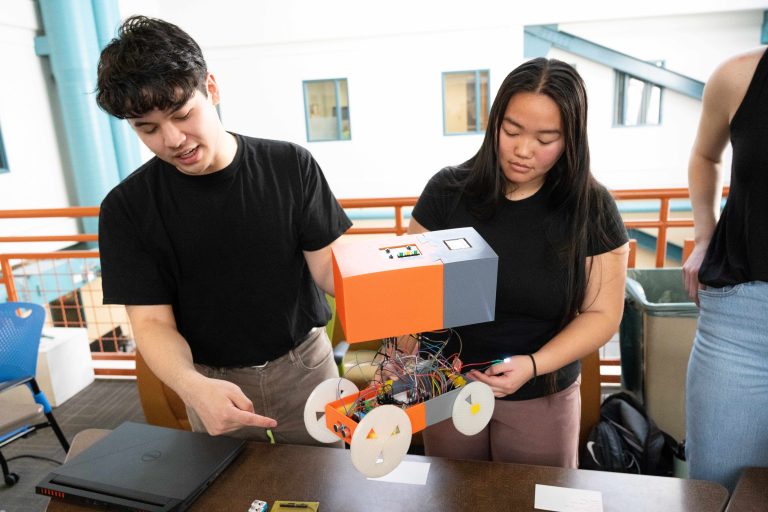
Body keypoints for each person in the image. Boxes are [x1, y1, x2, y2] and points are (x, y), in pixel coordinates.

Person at [95, 15, 351, 444]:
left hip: (306, 367)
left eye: (182, 114)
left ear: (210, 88)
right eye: (148, 128)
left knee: (332, 485)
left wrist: (396, 312)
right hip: (210, 383)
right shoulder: (127, 208)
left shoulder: (290, 165)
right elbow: (153, 324)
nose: (173, 139)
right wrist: (194, 389)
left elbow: (328, 267)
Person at [407, 58, 629, 467]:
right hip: (446, 387)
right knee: (453, 496)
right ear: (495, 124)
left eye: (546, 138)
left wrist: (532, 365)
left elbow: (602, 314)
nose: (523, 150)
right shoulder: (446, 191)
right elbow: (410, 288)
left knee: (534, 498)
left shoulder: (591, 207)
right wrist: (408, 359)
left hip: (540, 391)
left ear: (571, 140)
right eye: (511, 131)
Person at [682, 47, 768, 491]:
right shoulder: (739, 76)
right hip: (740, 322)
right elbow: (705, 156)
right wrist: (703, 236)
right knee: (717, 490)